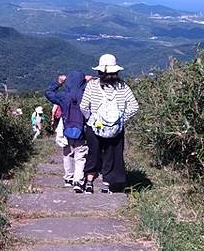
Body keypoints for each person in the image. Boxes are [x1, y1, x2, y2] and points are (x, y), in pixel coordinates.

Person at [80, 54, 139, 194]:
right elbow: (134, 106)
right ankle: (107, 184)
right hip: (115, 129)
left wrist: (91, 119)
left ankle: (89, 183)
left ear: (100, 70)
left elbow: (83, 106)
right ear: (116, 70)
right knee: (111, 155)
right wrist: (121, 119)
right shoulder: (122, 86)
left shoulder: (92, 85)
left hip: (95, 126)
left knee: (93, 154)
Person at [45, 70, 88, 192]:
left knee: (67, 153)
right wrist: (89, 81)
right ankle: (78, 182)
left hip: (66, 130)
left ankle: (68, 178)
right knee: (80, 156)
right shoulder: (86, 95)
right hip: (82, 131)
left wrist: (58, 82)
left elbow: (48, 93)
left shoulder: (63, 96)